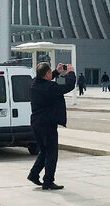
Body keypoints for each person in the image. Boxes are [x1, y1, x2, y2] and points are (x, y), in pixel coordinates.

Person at [28, 61, 76, 190]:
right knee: (51, 153)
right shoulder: (50, 87)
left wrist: (56, 72)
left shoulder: (34, 84)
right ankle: (48, 181)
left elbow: (43, 78)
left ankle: (33, 174)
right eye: (50, 73)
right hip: (47, 124)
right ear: (47, 74)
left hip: (36, 123)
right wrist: (70, 72)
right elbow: (68, 86)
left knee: (44, 151)